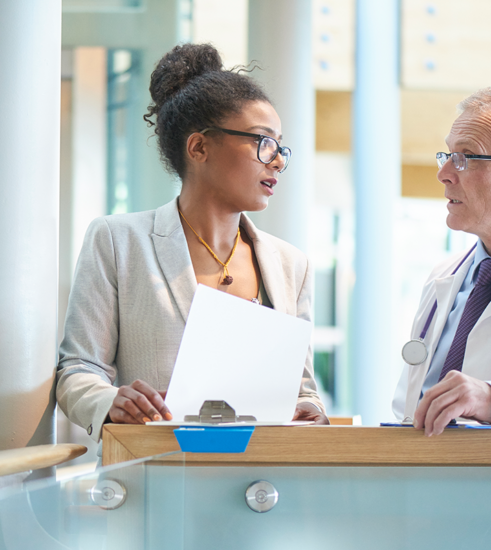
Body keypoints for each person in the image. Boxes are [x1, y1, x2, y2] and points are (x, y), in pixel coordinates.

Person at [57, 43, 328, 442]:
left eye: (280, 146)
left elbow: (303, 388)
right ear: (199, 147)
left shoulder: (291, 265)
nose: (277, 161)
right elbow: (78, 369)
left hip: (261, 483)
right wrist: (110, 400)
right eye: (261, 142)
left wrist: (312, 410)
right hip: (156, 474)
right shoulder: (118, 242)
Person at [393, 88, 491, 436]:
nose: (444, 174)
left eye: (465, 157)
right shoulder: (444, 277)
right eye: (447, 155)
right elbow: (407, 404)